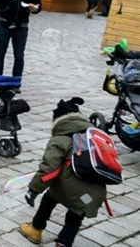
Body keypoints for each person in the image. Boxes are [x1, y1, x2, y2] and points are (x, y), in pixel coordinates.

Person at [19, 97, 106, 247]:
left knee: (49, 197)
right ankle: (64, 243)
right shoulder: (95, 136)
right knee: (77, 211)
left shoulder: (60, 139)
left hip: (71, 189)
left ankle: (35, 229)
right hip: (95, 193)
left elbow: (49, 169)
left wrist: (33, 189)